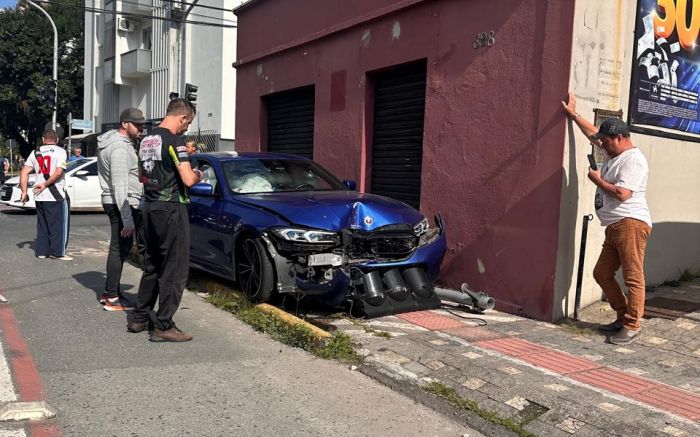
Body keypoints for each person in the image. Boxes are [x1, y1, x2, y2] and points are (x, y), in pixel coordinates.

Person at [562, 92, 652, 345]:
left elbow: (623, 194)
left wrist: (598, 181)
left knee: (633, 275)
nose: (603, 144)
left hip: (631, 222)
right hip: (615, 225)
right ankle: (623, 316)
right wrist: (573, 115)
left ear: (620, 138)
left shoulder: (634, 160)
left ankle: (633, 324)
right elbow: (593, 134)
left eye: (607, 141)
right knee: (602, 273)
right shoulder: (615, 154)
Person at [127, 98, 203, 342]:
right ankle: (163, 324)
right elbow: (188, 179)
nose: (186, 128)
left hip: (149, 206)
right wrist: (199, 173)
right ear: (181, 118)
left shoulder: (146, 139)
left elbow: (142, 174)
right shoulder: (175, 141)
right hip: (171, 208)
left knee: (153, 264)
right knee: (175, 268)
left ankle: (139, 317)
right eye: (187, 123)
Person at [97, 107, 146, 311]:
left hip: (118, 202)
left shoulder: (118, 143)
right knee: (119, 250)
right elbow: (120, 185)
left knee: (118, 249)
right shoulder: (118, 147)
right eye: (137, 124)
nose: (141, 128)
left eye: (143, 124)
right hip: (122, 203)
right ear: (125, 124)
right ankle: (113, 299)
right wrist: (128, 220)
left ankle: (110, 292)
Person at [19, 128, 72, 260]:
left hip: (39, 195)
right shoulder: (61, 152)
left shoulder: (35, 152)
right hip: (55, 194)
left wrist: (24, 192)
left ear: (43, 139)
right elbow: (59, 172)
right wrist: (46, 184)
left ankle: (42, 252)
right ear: (57, 140)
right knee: (59, 225)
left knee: (42, 224)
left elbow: (24, 172)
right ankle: (58, 252)